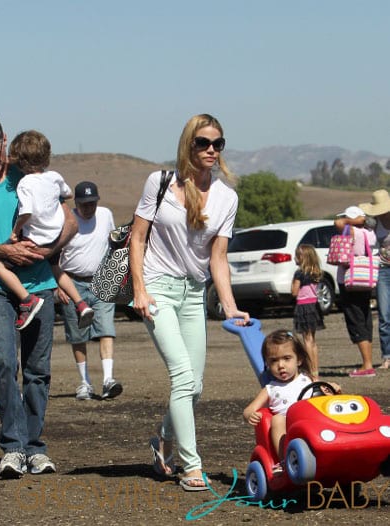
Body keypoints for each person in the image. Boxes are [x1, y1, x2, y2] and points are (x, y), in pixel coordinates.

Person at [129, 113, 250, 492]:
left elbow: (218, 258)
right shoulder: (160, 182)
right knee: (182, 375)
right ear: (188, 144)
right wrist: (140, 290)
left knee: (195, 385)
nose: (211, 149)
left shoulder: (227, 197)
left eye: (218, 143)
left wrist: (229, 306)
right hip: (158, 289)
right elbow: (137, 238)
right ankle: (190, 465)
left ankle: (162, 440)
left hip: (194, 295)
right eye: (203, 142)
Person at [0, 115, 78, 477]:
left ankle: (34, 448)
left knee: (38, 371)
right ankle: (13, 447)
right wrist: (4, 252)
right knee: (5, 363)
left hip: (40, 286)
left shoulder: (31, 175)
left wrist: (47, 251)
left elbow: (69, 221)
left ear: (3, 140)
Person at [0, 130, 93, 331]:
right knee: (57, 269)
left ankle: (27, 300)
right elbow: (69, 193)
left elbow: (26, 212)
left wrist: (15, 230)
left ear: (20, 161)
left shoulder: (25, 183)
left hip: (35, 241)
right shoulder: (54, 177)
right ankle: (81, 304)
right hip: (55, 236)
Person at [58, 181, 123, 401]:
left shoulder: (105, 215)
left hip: (101, 280)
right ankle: (84, 382)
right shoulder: (66, 220)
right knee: (78, 335)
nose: (89, 208)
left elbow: (113, 244)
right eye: (85, 204)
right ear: (76, 202)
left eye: (92, 203)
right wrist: (59, 285)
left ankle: (108, 380)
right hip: (72, 282)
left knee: (106, 329)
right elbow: (55, 255)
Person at [243, 330, 314, 474]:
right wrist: (250, 414)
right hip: (287, 428)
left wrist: (332, 387)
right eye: (274, 361)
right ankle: (285, 460)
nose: (281, 365)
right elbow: (249, 410)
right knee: (277, 419)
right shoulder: (271, 388)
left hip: (310, 425)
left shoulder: (308, 380)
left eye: (287, 358)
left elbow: (325, 392)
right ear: (267, 364)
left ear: (299, 359)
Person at [334, 205, 377, 377]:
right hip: (363, 279)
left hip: (350, 279)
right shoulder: (369, 233)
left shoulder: (353, 231)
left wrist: (354, 220)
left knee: (355, 319)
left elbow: (338, 222)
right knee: (364, 317)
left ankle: (367, 365)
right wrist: (361, 220)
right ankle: (368, 361)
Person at [358, 190, 390, 370]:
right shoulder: (374, 223)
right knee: (385, 315)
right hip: (383, 270)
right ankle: (387, 356)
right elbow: (348, 219)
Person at [291, 244, 325, 378]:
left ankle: (312, 371)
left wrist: (292, 284)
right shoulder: (316, 272)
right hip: (314, 306)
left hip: (303, 306)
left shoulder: (299, 273)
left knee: (307, 340)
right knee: (313, 340)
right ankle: (316, 369)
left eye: (296, 255)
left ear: (302, 258)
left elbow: (294, 292)